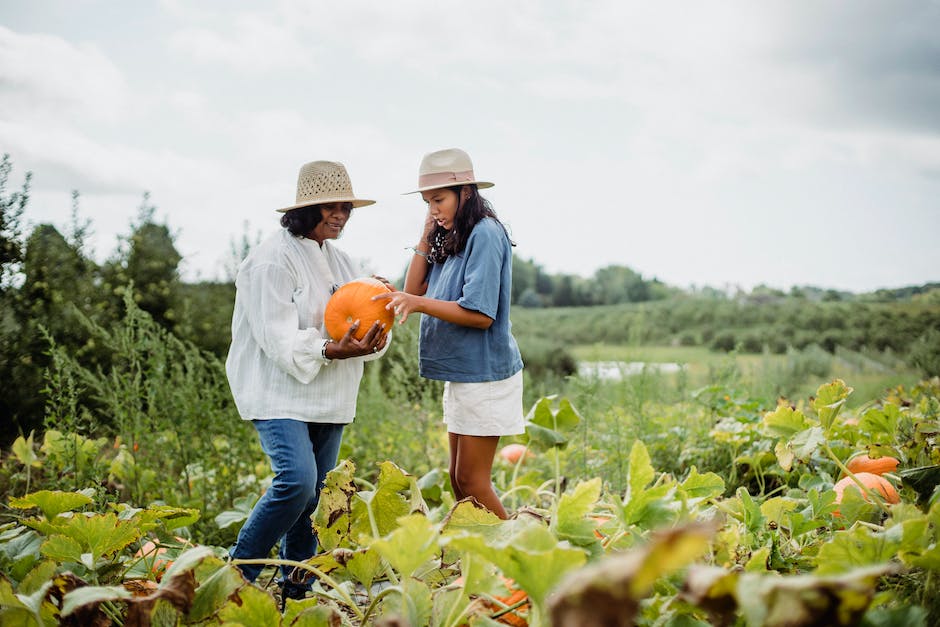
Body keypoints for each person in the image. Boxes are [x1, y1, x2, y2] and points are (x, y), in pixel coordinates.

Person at [225, 160, 389, 601]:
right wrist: (327, 349)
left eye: (346, 208)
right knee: (296, 482)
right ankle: (235, 578)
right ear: (304, 210)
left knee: (314, 498)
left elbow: (358, 326)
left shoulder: (344, 262)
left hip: (328, 395)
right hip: (278, 391)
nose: (339, 216)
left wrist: (380, 315)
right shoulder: (269, 261)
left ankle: (297, 594)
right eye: (330, 208)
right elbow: (276, 337)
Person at [376, 148, 524, 519]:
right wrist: (426, 235)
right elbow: (415, 286)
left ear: (467, 193)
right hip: (463, 373)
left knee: (474, 481)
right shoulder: (450, 233)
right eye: (427, 202)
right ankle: (483, 560)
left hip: (485, 373)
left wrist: (416, 302)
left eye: (438, 200)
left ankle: (514, 560)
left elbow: (480, 315)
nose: (433, 209)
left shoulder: (486, 234)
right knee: (458, 480)